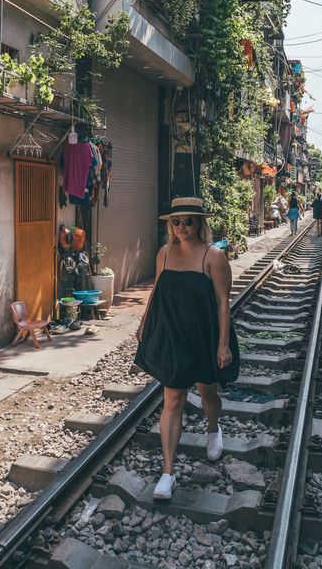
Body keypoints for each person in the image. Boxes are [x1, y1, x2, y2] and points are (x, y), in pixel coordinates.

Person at [134, 197, 240, 500]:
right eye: (176, 221)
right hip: (173, 335)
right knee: (173, 399)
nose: (182, 227)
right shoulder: (164, 254)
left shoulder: (213, 256)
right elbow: (157, 289)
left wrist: (222, 344)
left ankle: (213, 427)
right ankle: (168, 473)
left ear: (200, 223)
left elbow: (223, 302)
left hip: (203, 336)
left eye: (188, 221)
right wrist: (144, 322)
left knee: (208, 393)